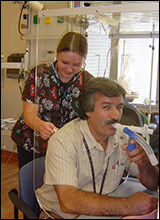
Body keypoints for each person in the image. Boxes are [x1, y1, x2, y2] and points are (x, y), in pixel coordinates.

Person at [36, 77, 159, 219]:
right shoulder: (63, 141)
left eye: (119, 107)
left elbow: (153, 184)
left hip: (104, 212)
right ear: (88, 110)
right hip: (61, 215)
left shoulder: (122, 138)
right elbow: (68, 203)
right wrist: (128, 205)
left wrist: (145, 164)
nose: (116, 115)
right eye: (106, 107)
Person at [11, 31, 94, 169]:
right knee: (34, 186)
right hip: (33, 143)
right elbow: (29, 114)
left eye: (76, 65)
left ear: (83, 62)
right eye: (64, 62)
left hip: (67, 147)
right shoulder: (39, 75)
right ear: (57, 54)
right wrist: (40, 126)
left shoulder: (88, 82)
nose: (69, 69)